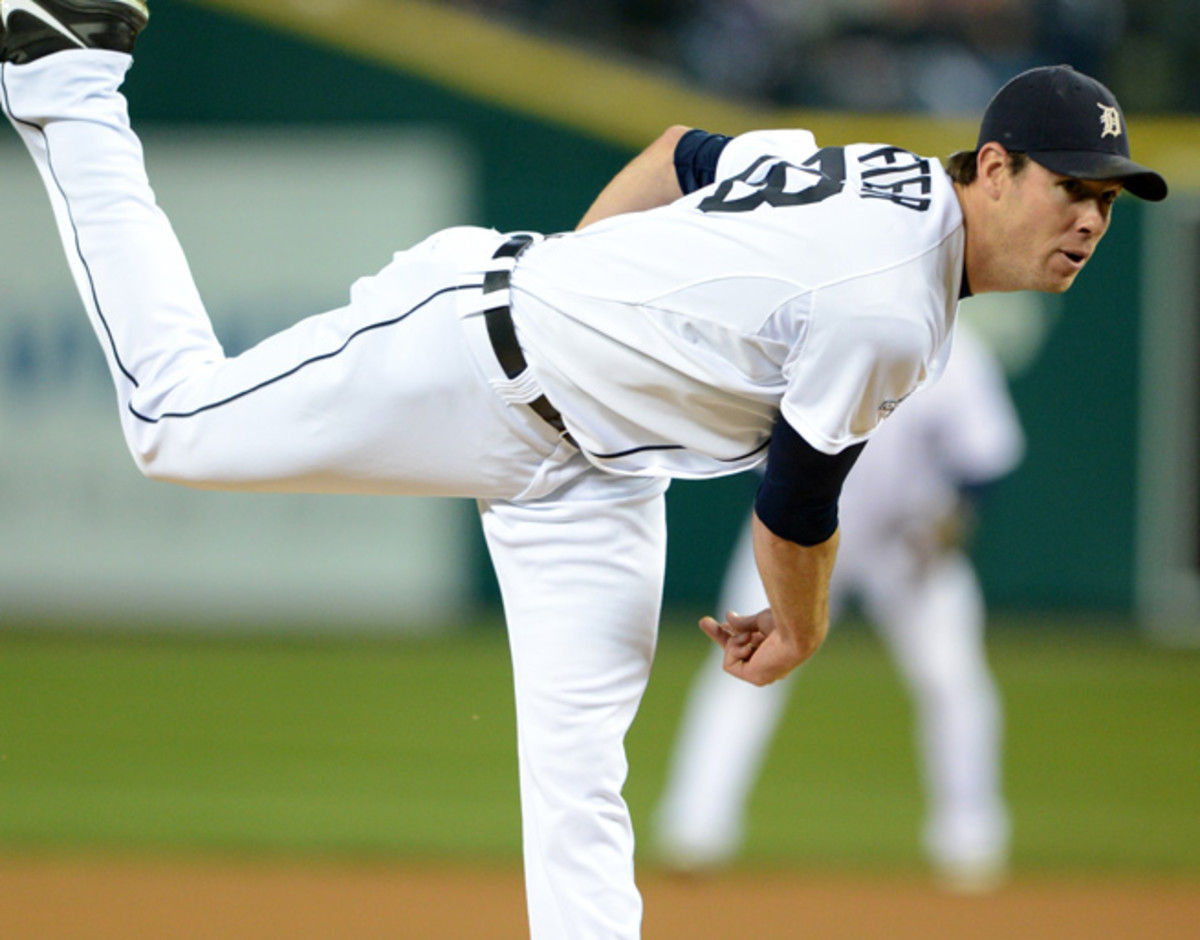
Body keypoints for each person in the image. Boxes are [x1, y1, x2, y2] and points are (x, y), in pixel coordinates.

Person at [0, 1, 1167, 935]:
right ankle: (65, 73)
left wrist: (609, 293)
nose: (1088, 223)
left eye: (1109, 203)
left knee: (579, 796)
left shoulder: (887, 174)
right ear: (998, 168)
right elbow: (797, 505)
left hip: (600, 475)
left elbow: (675, 153)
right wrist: (801, 627)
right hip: (471, 357)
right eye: (1073, 188)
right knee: (174, 424)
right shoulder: (893, 303)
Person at [653, 322, 1024, 891]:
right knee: (741, 664)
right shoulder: (810, 337)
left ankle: (969, 839)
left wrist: (948, 525)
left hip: (907, 537)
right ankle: (696, 831)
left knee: (951, 679)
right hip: (795, 530)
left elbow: (986, 461)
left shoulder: (957, 351)